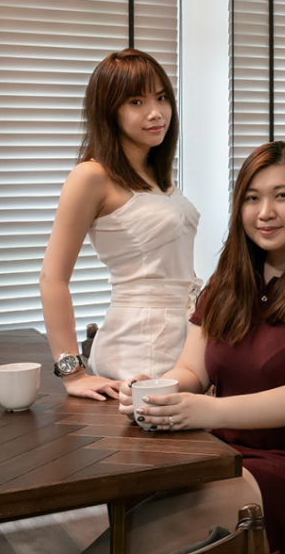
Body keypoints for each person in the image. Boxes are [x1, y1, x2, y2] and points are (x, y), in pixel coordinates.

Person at [43, 140, 285, 554]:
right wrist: (155, 391)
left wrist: (208, 410)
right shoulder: (229, 278)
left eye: (282, 195)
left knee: (170, 520)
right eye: (252, 198)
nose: (265, 212)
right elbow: (192, 370)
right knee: (140, 499)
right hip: (225, 451)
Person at [38, 48, 200, 399]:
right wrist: (72, 373)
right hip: (138, 347)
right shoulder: (91, 176)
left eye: (161, 98)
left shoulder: (157, 176)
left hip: (185, 341)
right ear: (109, 110)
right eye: (136, 102)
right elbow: (52, 278)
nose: (156, 112)